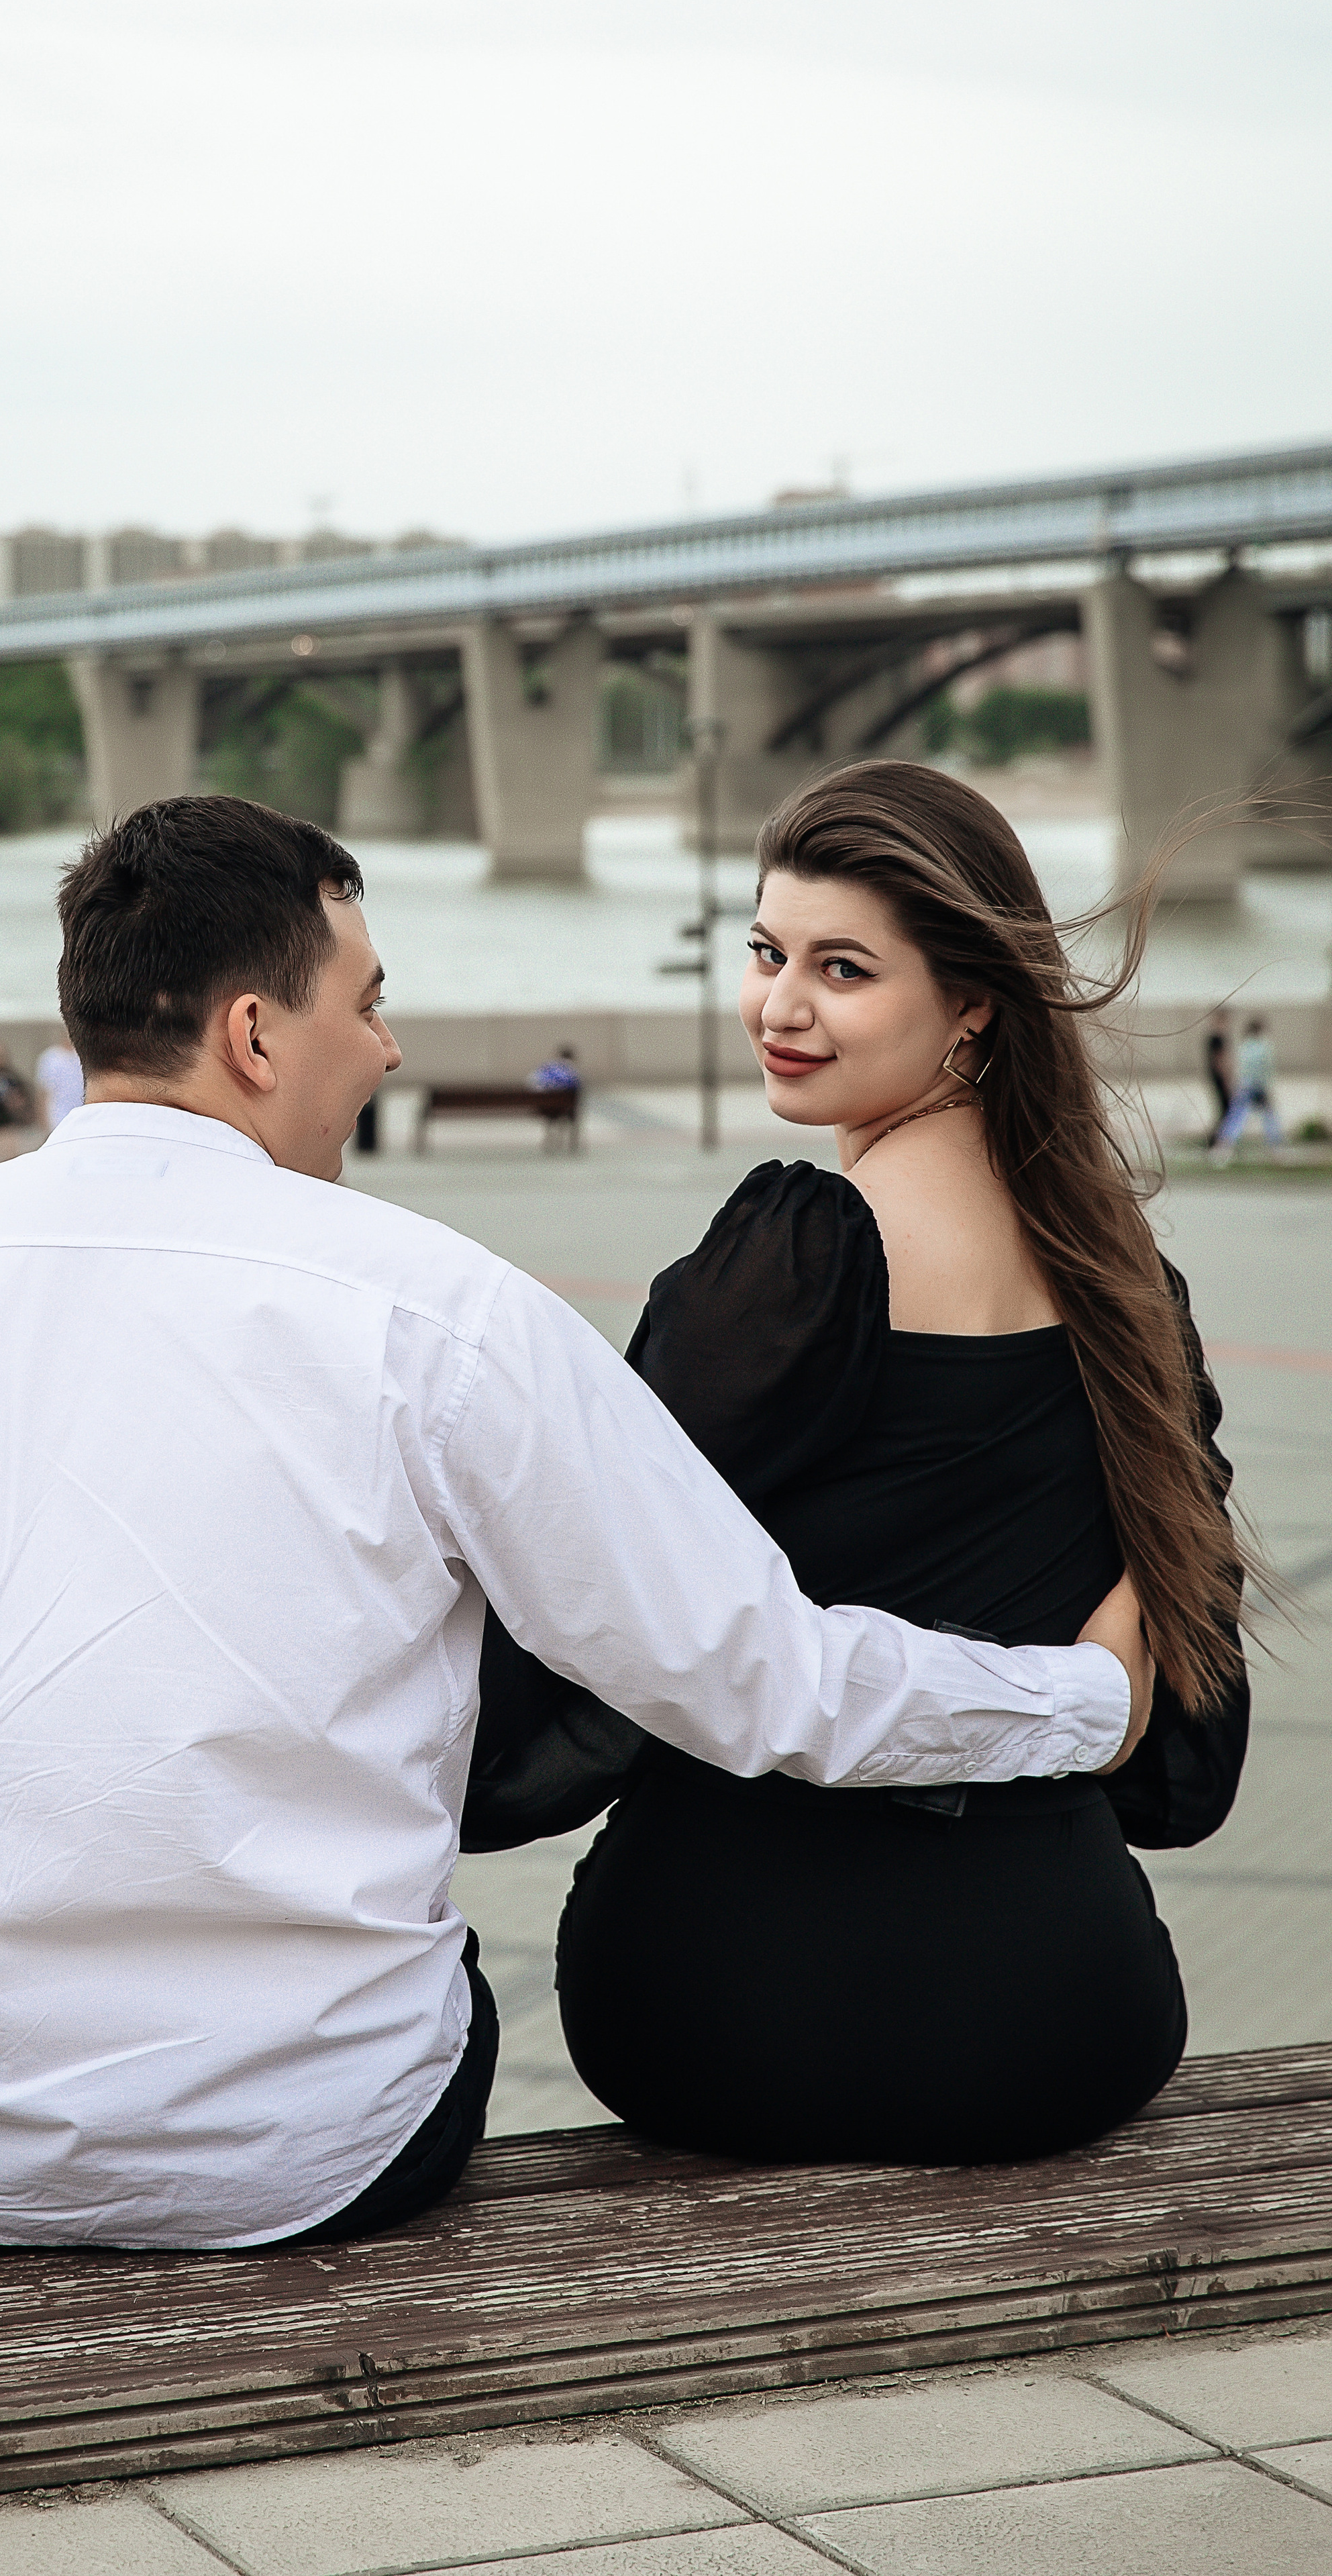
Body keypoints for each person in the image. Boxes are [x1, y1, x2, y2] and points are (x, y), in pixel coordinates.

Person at [0, 795, 1145, 2257]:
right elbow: (761, 1679)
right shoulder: (443, 1312)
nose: (388, 1047)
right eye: (366, 1002)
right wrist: (1083, 1698)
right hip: (317, 2147)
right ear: (252, 1037)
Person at [470, 761, 1253, 2167]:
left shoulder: (794, 1255)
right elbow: (1180, 1740)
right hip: (1057, 2018)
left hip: (719, 2011)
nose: (778, 1006)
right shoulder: (1118, 1272)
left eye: (840, 969)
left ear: (969, 1004)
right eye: (764, 953)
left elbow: (584, 1622)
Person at [1213, 1015, 1284, 1158]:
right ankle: (1276, 1146)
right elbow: (1267, 1068)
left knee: (1237, 1116)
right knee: (1268, 1117)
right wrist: (1266, 1086)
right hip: (1258, 1085)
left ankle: (1224, 1144)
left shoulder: (1245, 1045)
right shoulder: (1264, 1045)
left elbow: (1241, 1067)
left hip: (1245, 1084)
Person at [35, 1035, 85, 1134]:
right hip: (57, 1117)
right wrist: (44, 1122)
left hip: (81, 1116)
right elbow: (43, 1092)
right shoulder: (51, 1058)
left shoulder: (83, 1057)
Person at [1203, 1008, 1232, 1148]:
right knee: (1225, 1109)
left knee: (1224, 1110)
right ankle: (1215, 1140)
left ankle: (1217, 1139)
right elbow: (1219, 1061)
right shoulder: (1217, 1038)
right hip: (1219, 1078)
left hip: (1216, 1077)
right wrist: (1227, 1080)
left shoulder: (1215, 1038)